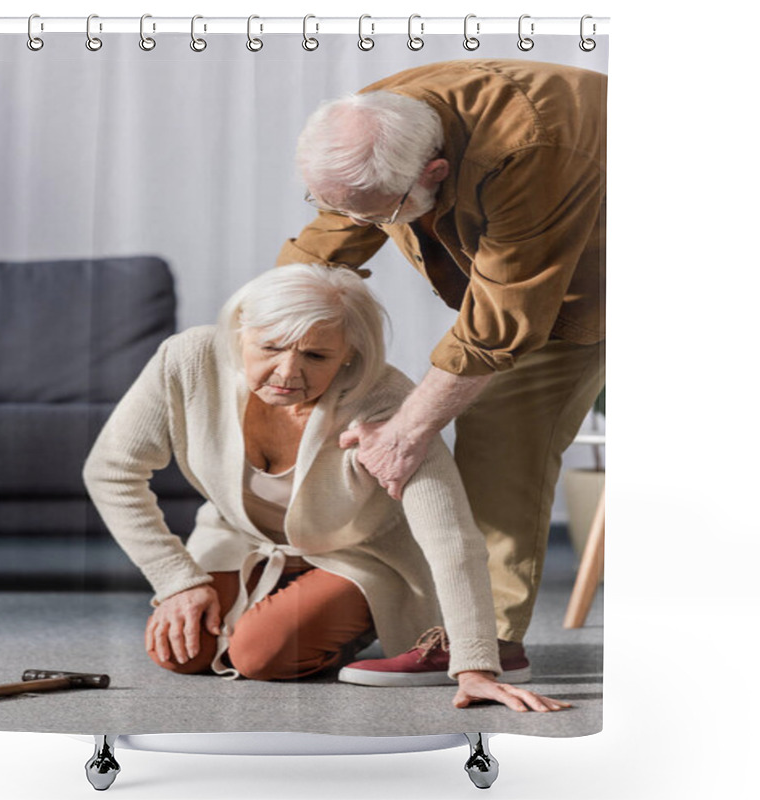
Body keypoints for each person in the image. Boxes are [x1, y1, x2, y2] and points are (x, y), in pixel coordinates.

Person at [83, 264, 568, 713]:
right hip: (242, 542)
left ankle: (359, 615)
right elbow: (111, 470)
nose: (288, 373)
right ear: (238, 334)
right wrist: (177, 580)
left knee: (259, 654)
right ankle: (283, 604)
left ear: (349, 354)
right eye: (270, 348)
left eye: (316, 355)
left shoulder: (388, 400)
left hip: (358, 554)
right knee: (181, 654)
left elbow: (451, 535)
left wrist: (474, 664)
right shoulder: (187, 359)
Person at [277, 59, 606, 682]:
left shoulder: (532, 149)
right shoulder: (373, 119)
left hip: (605, 276)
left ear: (434, 172)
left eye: (382, 214)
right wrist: (264, 335)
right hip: (532, 252)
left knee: (502, 431)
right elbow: (329, 238)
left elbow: (498, 323)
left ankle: (487, 640)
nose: (370, 228)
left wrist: (405, 432)